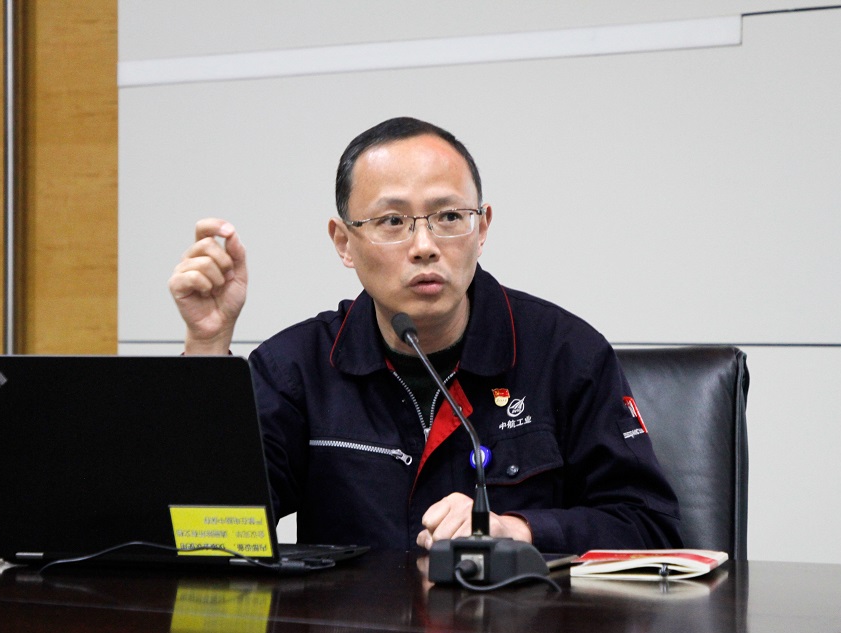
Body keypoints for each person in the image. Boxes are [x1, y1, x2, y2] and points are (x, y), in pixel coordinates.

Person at [168, 117, 681, 554]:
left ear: (482, 229)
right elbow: (208, 533)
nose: (424, 245)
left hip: (510, 629)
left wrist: (517, 530)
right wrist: (208, 345)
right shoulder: (296, 367)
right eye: (393, 221)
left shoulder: (566, 355)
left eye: (450, 217)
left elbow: (651, 528)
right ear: (344, 242)